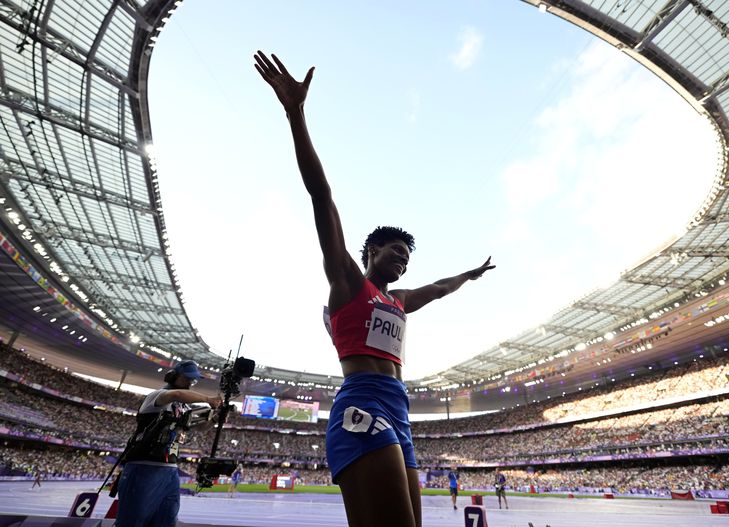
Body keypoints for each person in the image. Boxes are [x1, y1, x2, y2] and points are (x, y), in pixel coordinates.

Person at [254, 51, 495, 527]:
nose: (403, 262)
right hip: (362, 401)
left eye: (408, 258)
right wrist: (295, 114)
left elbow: (441, 287)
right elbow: (320, 194)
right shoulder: (347, 282)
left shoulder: (399, 301)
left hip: (399, 410)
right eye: (395, 253)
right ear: (371, 252)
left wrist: (469, 275)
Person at [115, 361, 221, 527]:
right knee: (132, 521)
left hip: (170, 469)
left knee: (166, 521)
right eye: (187, 379)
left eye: (193, 381)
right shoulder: (157, 396)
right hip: (144, 467)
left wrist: (215, 419)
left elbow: (199, 427)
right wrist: (208, 399)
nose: (190, 383)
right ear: (173, 376)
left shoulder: (184, 406)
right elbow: (175, 394)